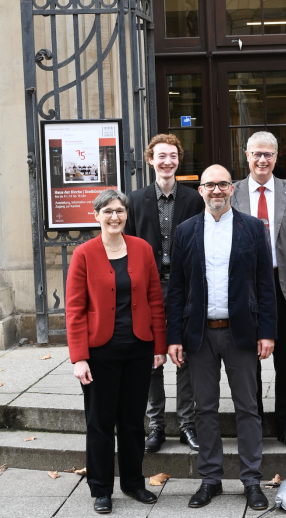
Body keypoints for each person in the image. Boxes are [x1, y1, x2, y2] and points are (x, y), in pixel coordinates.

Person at [166, 164, 277, 511]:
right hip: (198, 335)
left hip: (241, 334)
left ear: (233, 189)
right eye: (210, 185)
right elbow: (176, 289)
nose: (217, 190)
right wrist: (174, 338)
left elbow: (265, 284)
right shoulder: (185, 231)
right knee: (205, 410)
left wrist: (268, 333)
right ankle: (210, 478)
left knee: (248, 408)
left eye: (223, 184)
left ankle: (252, 481)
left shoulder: (254, 228)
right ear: (200, 190)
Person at [66, 190, 166, 514]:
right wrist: (79, 357)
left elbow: (154, 300)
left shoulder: (142, 249)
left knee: (133, 421)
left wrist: (158, 345)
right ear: (96, 216)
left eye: (119, 211)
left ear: (126, 215)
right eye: (107, 211)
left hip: (138, 349)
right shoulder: (83, 254)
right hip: (100, 353)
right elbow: (75, 310)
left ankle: (134, 482)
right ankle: (101, 489)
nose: (114, 217)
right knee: (100, 422)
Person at [125, 134, 205, 453]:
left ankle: (187, 424)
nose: (167, 161)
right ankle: (156, 424)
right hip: (148, 287)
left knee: (184, 355)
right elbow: (128, 247)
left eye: (172, 156)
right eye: (161, 156)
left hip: (184, 286)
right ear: (150, 160)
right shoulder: (134, 200)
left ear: (178, 159)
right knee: (151, 355)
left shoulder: (194, 199)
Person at [231, 131, 286, 450]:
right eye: (256, 154)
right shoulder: (232, 194)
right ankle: (253, 424)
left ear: (276, 157)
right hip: (245, 287)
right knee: (249, 359)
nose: (262, 160)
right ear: (246, 156)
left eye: (268, 154)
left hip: (282, 284)